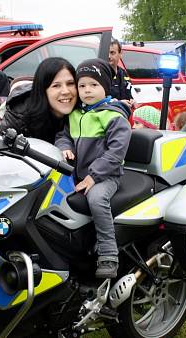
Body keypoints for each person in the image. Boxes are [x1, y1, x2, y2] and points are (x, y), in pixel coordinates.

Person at [55, 58, 131, 278]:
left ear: (105, 87)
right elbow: (63, 135)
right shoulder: (75, 113)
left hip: (106, 176)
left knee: (96, 200)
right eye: (82, 85)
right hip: (77, 174)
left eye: (94, 85)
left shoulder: (114, 116)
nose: (87, 90)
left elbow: (116, 152)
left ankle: (109, 253)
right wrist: (64, 147)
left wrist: (93, 176)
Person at [0, 57, 77, 143]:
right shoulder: (20, 116)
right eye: (56, 86)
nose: (65, 91)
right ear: (43, 90)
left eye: (70, 83)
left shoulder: (85, 110)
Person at [108, 37, 134, 103]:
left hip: (123, 111)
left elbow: (128, 94)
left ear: (120, 54)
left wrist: (132, 100)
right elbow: (98, 101)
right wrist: (118, 103)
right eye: (106, 52)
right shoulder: (100, 74)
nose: (109, 56)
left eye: (112, 53)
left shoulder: (123, 73)